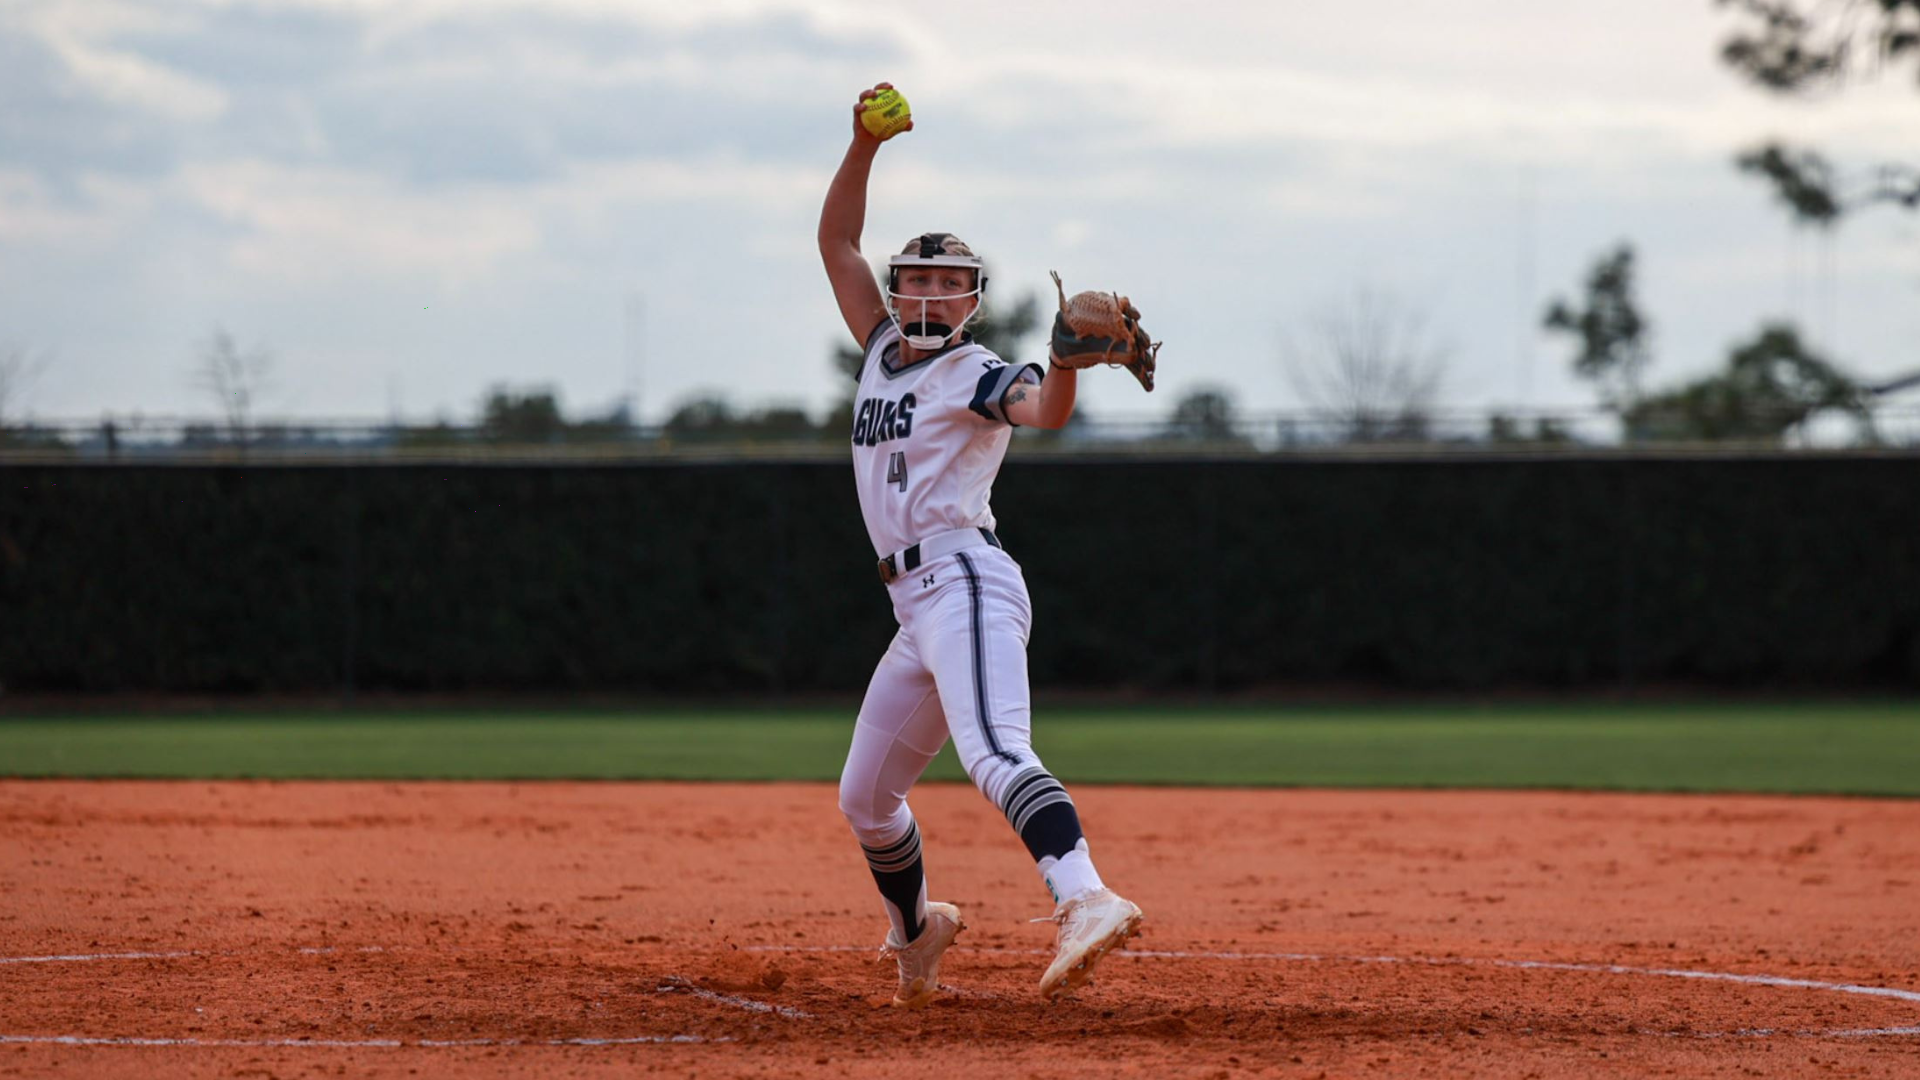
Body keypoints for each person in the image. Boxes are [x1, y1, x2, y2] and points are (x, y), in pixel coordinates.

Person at [817, 82, 1143, 1008]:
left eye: (944, 283)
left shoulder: (977, 369)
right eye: (914, 280)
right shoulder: (879, 349)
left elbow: (1042, 409)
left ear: (970, 300)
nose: (926, 294)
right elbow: (836, 243)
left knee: (996, 751)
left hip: (963, 576)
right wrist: (861, 146)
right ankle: (919, 931)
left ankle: (1086, 897)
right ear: (896, 292)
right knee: (865, 799)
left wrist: (1072, 365)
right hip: (911, 605)